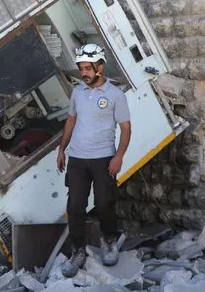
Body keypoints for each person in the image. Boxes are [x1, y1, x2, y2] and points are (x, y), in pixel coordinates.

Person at [57, 43, 132, 277]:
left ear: (100, 66)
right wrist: (62, 149)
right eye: (81, 68)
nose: (84, 73)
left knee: (104, 203)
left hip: (103, 159)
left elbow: (126, 128)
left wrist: (118, 157)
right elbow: (70, 120)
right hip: (77, 159)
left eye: (88, 68)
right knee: (75, 206)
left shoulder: (115, 95)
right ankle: (77, 251)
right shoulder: (78, 92)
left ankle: (109, 241)